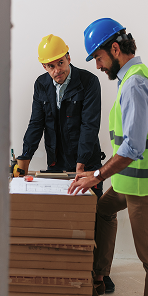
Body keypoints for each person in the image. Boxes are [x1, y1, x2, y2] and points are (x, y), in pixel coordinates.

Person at [68, 18, 148, 296]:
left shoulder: (134, 85)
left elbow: (133, 147)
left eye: (98, 58)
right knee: (103, 209)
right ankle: (99, 275)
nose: (98, 66)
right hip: (131, 181)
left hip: (143, 186)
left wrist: (96, 175)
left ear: (115, 49)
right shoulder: (128, 78)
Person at [16, 34, 105, 199]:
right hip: (56, 164)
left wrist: (81, 165)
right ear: (44, 67)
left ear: (68, 57)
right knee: (60, 216)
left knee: (91, 216)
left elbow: (89, 126)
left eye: (60, 63)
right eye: (51, 66)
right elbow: (36, 124)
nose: (57, 70)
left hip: (86, 163)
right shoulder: (41, 85)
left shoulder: (88, 82)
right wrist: (24, 159)